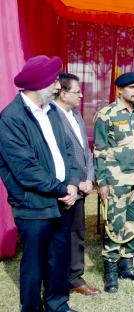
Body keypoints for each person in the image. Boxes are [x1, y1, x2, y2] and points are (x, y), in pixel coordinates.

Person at [0, 55, 79, 312]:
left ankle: (57, 305)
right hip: (33, 205)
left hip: (62, 202)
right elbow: (25, 169)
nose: (58, 86)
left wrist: (74, 184)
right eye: (54, 81)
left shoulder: (53, 111)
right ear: (40, 85)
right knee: (34, 264)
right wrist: (61, 189)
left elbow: (68, 151)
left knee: (59, 260)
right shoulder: (11, 118)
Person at [94, 72, 134, 293]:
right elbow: (99, 151)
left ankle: (126, 266)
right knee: (115, 224)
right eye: (131, 87)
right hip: (116, 181)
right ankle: (110, 271)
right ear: (119, 90)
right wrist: (102, 182)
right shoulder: (106, 115)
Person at [53, 73, 100, 296]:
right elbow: (58, 157)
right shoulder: (50, 117)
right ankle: (57, 281)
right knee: (58, 239)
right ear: (62, 92)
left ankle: (76, 278)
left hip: (82, 187)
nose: (82, 95)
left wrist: (89, 178)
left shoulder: (77, 115)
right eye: (76, 91)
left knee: (77, 234)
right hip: (64, 189)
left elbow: (85, 151)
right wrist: (74, 182)